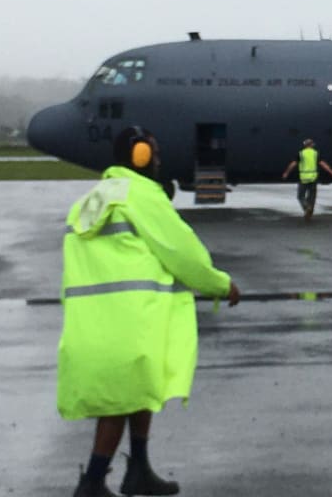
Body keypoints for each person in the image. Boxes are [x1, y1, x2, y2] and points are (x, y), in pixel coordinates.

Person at [59, 126, 241, 497]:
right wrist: (221, 284)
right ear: (139, 155)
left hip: (93, 321)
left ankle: (139, 469)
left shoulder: (90, 201)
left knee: (138, 392)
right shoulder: (141, 196)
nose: (157, 160)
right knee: (120, 400)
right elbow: (182, 251)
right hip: (130, 318)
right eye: (153, 152)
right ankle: (92, 483)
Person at [282, 138, 332, 220]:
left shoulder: (301, 154)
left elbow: (293, 164)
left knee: (300, 196)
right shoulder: (315, 154)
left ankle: (306, 208)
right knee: (312, 197)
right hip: (313, 178)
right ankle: (309, 212)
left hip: (303, 178)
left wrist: (286, 173)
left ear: (304, 145)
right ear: (312, 145)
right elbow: (323, 164)